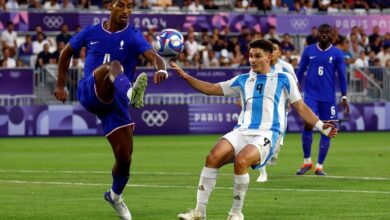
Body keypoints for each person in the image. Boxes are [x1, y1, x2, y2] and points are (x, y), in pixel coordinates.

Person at [172, 39, 337, 220]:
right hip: (242, 131)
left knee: (241, 161)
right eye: (250, 56)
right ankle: (199, 213)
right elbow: (211, 89)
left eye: (257, 56)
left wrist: (321, 126)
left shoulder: (284, 79)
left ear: (270, 56)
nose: (252, 59)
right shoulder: (243, 80)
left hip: (267, 133)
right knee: (212, 157)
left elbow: (301, 107)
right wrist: (186, 76)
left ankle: (235, 213)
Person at [54, 0, 168, 219]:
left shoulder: (133, 35)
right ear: (109, 6)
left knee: (125, 157)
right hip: (90, 90)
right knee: (112, 67)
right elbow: (66, 52)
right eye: (121, 5)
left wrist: (162, 69)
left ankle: (115, 196)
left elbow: (154, 56)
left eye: (130, 6)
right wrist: (60, 85)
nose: (126, 11)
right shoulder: (91, 32)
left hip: (114, 103)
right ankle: (131, 94)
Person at [296, 23, 349, 176]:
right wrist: (294, 91)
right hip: (311, 95)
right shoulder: (309, 50)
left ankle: (319, 166)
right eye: (321, 32)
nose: (324, 34)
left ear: (331, 34)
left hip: (328, 98)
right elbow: (299, 73)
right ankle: (307, 162)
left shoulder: (337, 53)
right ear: (318, 33)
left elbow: (342, 76)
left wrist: (344, 96)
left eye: (327, 32)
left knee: (328, 129)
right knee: (308, 124)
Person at [257, 38, 298, 183]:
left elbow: (294, 86)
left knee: (275, 144)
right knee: (261, 139)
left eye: (275, 48)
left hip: (281, 110)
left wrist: (291, 101)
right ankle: (262, 173)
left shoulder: (286, 67)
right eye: (271, 49)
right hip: (263, 109)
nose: (273, 51)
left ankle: (274, 151)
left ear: (279, 51)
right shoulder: (261, 66)